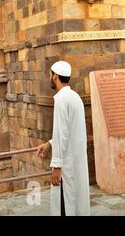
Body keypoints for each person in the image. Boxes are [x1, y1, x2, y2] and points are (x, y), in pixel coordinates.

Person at [36, 61, 90, 216]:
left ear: (55, 76)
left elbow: (62, 132)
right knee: (76, 203)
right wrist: (49, 144)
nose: (49, 77)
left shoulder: (61, 99)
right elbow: (69, 131)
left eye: (50, 74)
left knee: (66, 205)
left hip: (67, 165)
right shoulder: (74, 97)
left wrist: (57, 167)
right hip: (76, 161)